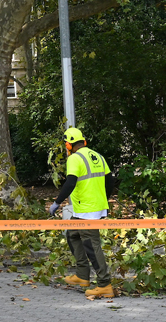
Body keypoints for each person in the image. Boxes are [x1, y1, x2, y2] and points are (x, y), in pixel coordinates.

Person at [47, 127, 115, 298]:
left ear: (69, 145)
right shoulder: (97, 156)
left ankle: (104, 285)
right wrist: (103, 200)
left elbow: (70, 183)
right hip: (91, 207)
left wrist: (56, 203)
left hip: (87, 209)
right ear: (83, 142)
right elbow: (110, 181)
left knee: (92, 245)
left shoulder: (75, 158)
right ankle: (82, 275)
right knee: (72, 234)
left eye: (66, 145)